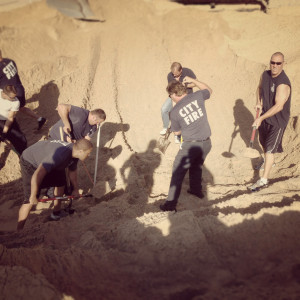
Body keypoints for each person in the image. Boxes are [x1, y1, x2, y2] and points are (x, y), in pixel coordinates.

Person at [160, 77, 213, 212]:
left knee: (177, 172)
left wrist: (175, 128)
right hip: (207, 143)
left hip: (190, 145)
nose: (170, 97)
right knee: (197, 165)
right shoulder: (197, 96)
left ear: (174, 94)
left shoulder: (175, 111)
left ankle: (170, 205)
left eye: (170, 95)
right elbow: (209, 90)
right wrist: (195, 81)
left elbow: (177, 132)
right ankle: (196, 190)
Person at [17, 138, 93, 230]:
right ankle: (19, 230)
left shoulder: (75, 154)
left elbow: (72, 172)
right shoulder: (60, 155)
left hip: (48, 158)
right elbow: (38, 174)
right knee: (29, 200)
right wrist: (33, 196)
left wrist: (75, 189)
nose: (89, 155)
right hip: (30, 162)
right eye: (88, 153)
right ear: (81, 151)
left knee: (61, 182)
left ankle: (56, 213)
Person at [249, 52, 291, 191]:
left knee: (269, 150)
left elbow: (279, 106)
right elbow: (259, 88)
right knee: (263, 143)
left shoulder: (283, 83)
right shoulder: (265, 75)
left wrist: (260, 118)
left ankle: (264, 180)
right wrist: (258, 101)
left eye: (278, 63)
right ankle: (269, 162)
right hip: (266, 116)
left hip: (278, 121)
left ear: (283, 64)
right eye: (272, 62)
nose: (274, 65)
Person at [0, 50, 46, 130]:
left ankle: (8, 130)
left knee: (9, 113)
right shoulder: (10, 61)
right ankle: (39, 119)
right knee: (20, 108)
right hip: (19, 89)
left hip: (11, 94)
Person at [160, 62, 197, 143]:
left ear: (181, 70)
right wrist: (174, 104)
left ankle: (180, 136)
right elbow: (171, 90)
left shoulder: (188, 72)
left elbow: (195, 83)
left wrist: (185, 85)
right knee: (164, 109)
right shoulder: (170, 75)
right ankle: (166, 128)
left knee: (183, 116)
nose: (174, 76)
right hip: (174, 96)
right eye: (173, 74)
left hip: (187, 97)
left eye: (176, 75)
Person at [0, 85, 27, 155]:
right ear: (4, 94)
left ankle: (23, 158)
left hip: (5, 121)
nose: (14, 98)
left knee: (21, 140)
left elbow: (10, 118)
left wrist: (4, 133)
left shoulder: (16, 102)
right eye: (11, 97)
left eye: (15, 96)